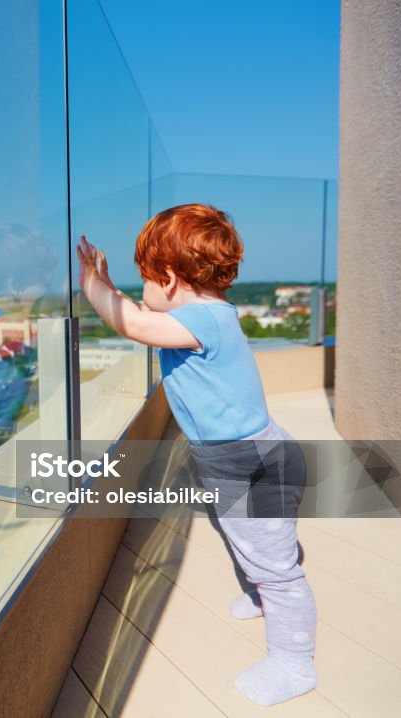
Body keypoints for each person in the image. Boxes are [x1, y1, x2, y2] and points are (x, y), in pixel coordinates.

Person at [77, 203, 317, 706]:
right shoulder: (205, 314)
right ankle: (260, 595)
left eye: (143, 278)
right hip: (248, 457)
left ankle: (294, 663)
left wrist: (94, 290)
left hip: (248, 465)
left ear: (167, 278)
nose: (140, 291)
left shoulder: (201, 321)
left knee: (278, 569)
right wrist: (115, 290)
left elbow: (135, 326)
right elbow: (143, 315)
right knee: (253, 543)